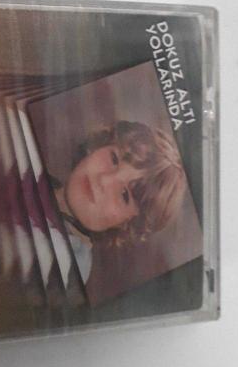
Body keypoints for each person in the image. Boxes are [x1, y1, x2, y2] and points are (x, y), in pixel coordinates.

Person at [47, 121, 187, 285]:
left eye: (124, 195)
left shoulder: (70, 265)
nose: (104, 180)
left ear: (126, 225)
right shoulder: (34, 173)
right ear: (99, 146)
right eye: (114, 159)